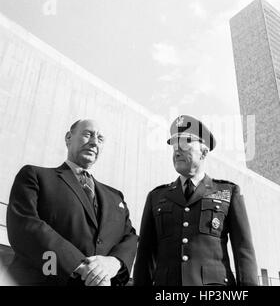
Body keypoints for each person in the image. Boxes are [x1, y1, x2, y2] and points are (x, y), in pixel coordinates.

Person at [6, 119, 138, 286]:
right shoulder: (35, 176)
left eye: (100, 139)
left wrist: (113, 263)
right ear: (68, 138)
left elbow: (130, 237)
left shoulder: (115, 197)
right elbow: (25, 225)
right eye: (88, 134)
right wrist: (81, 267)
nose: (94, 142)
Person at [133, 115, 258, 286]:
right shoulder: (157, 196)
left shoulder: (227, 192)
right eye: (175, 146)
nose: (177, 151)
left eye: (184, 145)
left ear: (204, 152)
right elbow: (145, 255)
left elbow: (243, 250)